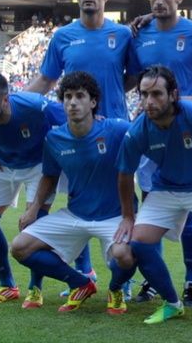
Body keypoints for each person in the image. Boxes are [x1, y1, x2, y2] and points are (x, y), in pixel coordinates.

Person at [26, 0, 138, 293]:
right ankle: (85, 272)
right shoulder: (63, 36)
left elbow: (132, 75)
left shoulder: (123, 35)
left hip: (117, 130)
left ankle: (128, 277)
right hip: (74, 134)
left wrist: (111, 97)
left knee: (126, 198)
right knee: (78, 199)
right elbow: (46, 80)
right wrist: (16, 104)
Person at [113, 65, 192, 328]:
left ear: (173, 95)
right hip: (167, 188)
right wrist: (128, 216)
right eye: (144, 94)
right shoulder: (137, 130)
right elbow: (125, 174)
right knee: (139, 243)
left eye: (157, 94)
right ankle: (172, 303)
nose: (149, 101)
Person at [10, 71, 136, 314]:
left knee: (124, 256)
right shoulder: (55, 138)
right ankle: (80, 283)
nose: (73, 102)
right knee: (20, 246)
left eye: (80, 96)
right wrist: (34, 208)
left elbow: (146, 137)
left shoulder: (117, 130)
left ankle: (116, 288)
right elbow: (49, 175)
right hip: (75, 214)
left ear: (93, 102)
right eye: (67, 97)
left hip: (114, 216)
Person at [131, 0, 192, 305]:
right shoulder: (139, 34)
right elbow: (130, 75)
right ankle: (152, 279)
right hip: (149, 126)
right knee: (150, 199)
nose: (159, 1)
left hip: (190, 125)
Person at [0, 70, 65, 308]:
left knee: (35, 224)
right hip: (4, 164)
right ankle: (7, 286)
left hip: (38, 165)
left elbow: (68, 119)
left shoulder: (34, 106)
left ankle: (35, 289)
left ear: (5, 99)